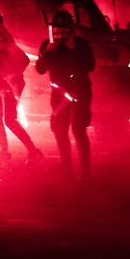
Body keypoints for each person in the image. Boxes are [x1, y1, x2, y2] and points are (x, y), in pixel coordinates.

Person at [0, 11, 44, 166]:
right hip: (1, 86)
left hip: (11, 86)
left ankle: (33, 151)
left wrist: (10, 77)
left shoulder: (5, 40)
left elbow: (24, 60)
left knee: (10, 121)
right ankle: (3, 153)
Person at [35, 10, 95, 179]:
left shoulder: (81, 44)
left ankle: (86, 168)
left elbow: (90, 66)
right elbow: (40, 69)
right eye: (57, 32)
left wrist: (74, 49)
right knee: (59, 129)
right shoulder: (48, 45)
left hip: (80, 93)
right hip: (59, 94)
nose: (60, 36)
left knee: (78, 128)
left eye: (63, 32)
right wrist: (48, 52)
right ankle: (66, 165)